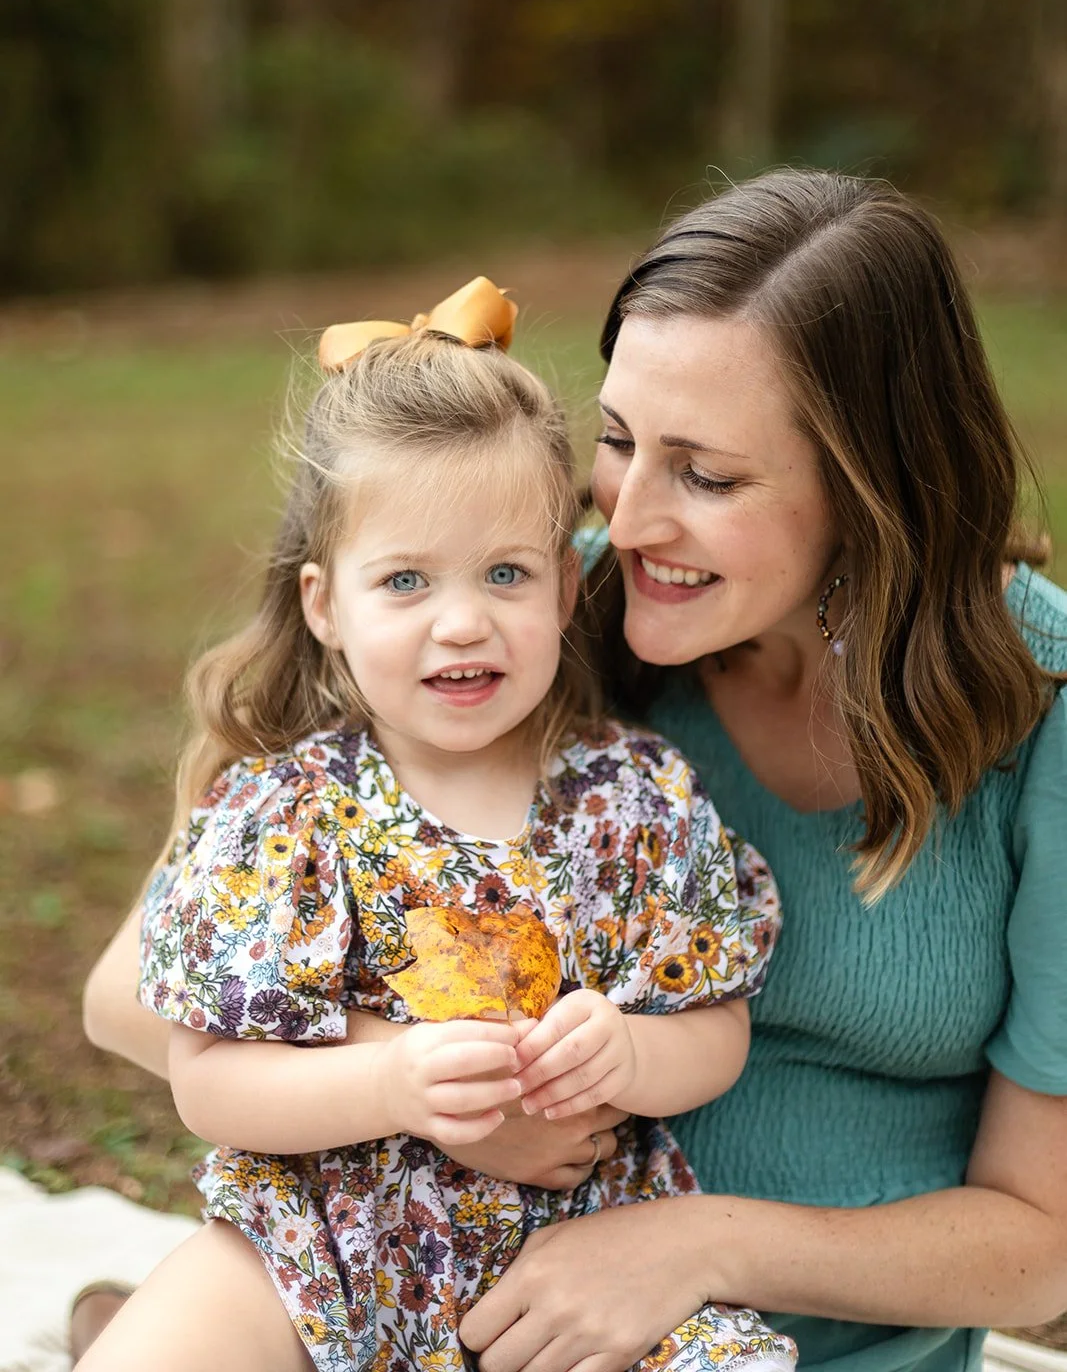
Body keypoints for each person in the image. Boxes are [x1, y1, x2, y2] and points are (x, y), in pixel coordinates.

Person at [82, 170, 1067, 1372]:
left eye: (704, 474)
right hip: (419, 1260)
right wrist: (442, 1091)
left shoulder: (1036, 708)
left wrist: (691, 1248)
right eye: (615, 441)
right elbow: (131, 991)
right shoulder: (528, 612)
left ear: (872, 485)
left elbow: (1040, 1243)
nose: (629, 517)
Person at [74, 280, 795, 1372]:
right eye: (404, 580)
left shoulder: (634, 799)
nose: (462, 621)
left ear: (564, 586)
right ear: (326, 604)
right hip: (313, 1241)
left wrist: (631, 1051)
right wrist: (395, 1082)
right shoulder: (288, 812)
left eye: (504, 573)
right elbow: (209, 1074)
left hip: (569, 1266)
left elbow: (715, 1027)